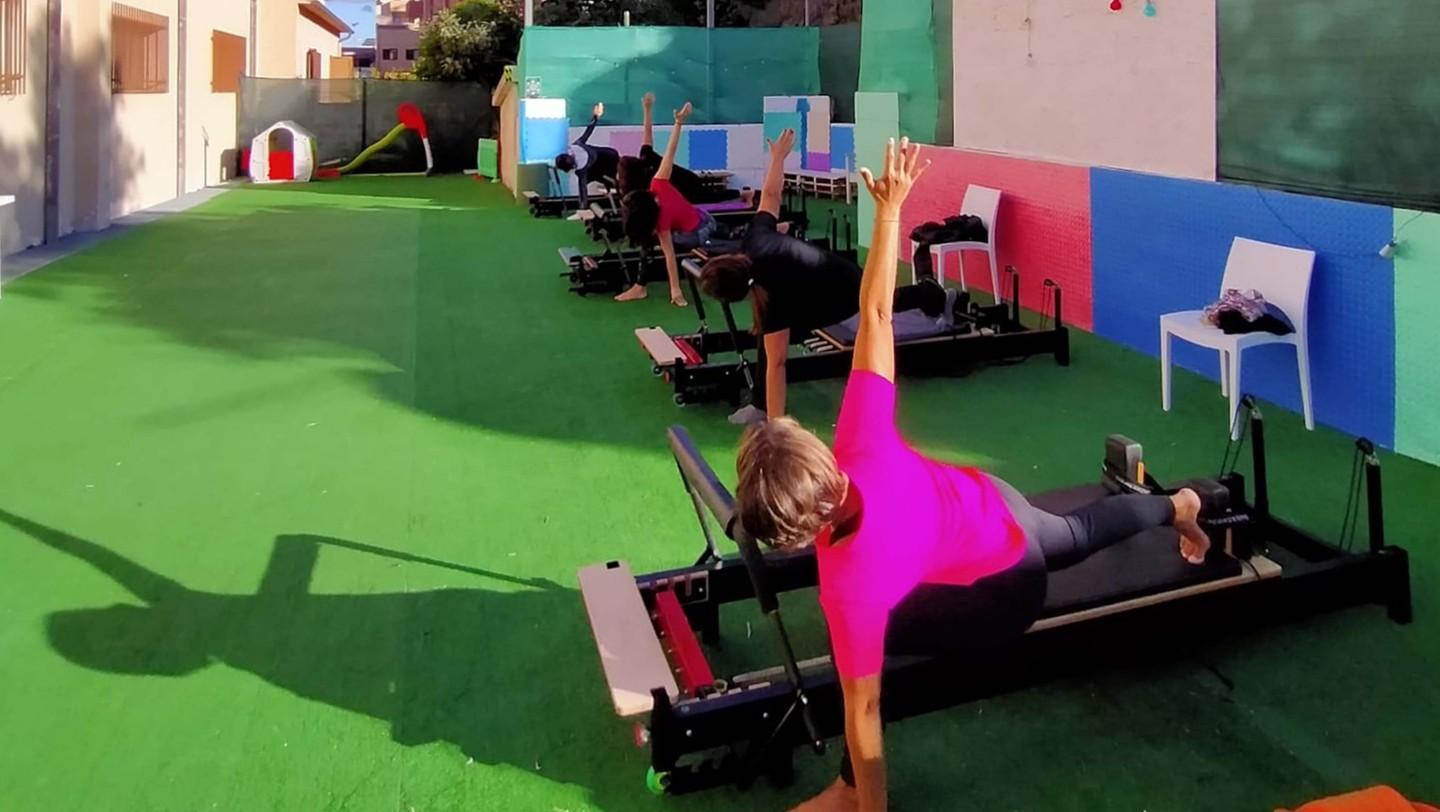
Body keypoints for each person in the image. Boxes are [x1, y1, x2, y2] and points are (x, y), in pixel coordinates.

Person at [731, 138, 1215, 812]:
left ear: (796, 533)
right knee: (1077, 532)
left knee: (867, 655)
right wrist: (891, 210)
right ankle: (1181, 505)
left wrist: (863, 801)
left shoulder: (850, 590)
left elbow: (864, 715)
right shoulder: (857, 441)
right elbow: (874, 315)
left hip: (1007, 592)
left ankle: (839, 792)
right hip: (997, 507)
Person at [698, 128, 949, 423]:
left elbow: (778, 366)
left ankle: (933, 292)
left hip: (841, 291)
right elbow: (771, 194)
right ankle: (760, 405)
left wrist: (778, 430)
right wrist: (778, 157)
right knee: (767, 336)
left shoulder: (772, 298)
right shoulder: (754, 241)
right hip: (830, 272)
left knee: (885, 302)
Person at [618, 102, 722, 307]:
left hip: (699, 233)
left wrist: (676, 290)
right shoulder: (658, 182)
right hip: (703, 217)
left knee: (657, 242)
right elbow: (670, 151)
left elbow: (670, 256)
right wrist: (678, 123)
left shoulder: (661, 223)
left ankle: (640, 287)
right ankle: (640, 286)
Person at [617, 92, 738, 204]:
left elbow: (667, 150)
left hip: (686, 189)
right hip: (688, 179)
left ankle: (743, 194)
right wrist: (647, 108)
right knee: (709, 194)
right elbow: (649, 135)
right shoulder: (646, 157)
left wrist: (678, 123)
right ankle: (744, 194)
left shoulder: (652, 183)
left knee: (708, 196)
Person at [553, 102, 620, 211]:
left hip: (609, 157)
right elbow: (582, 189)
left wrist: (596, 117)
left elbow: (588, 131)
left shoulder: (577, 148)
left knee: (612, 178)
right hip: (600, 167)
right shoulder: (579, 162)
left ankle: (614, 191)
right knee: (602, 179)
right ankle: (611, 190)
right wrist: (583, 208)